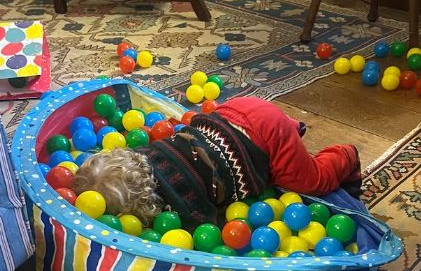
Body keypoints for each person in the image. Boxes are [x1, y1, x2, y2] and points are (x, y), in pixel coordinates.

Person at [73, 96, 361, 229]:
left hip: (267, 133)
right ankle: (289, 130)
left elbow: (215, 227)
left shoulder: (183, 206)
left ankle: (345, 154)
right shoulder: (149, 152)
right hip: (233, 110)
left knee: (310, 182)